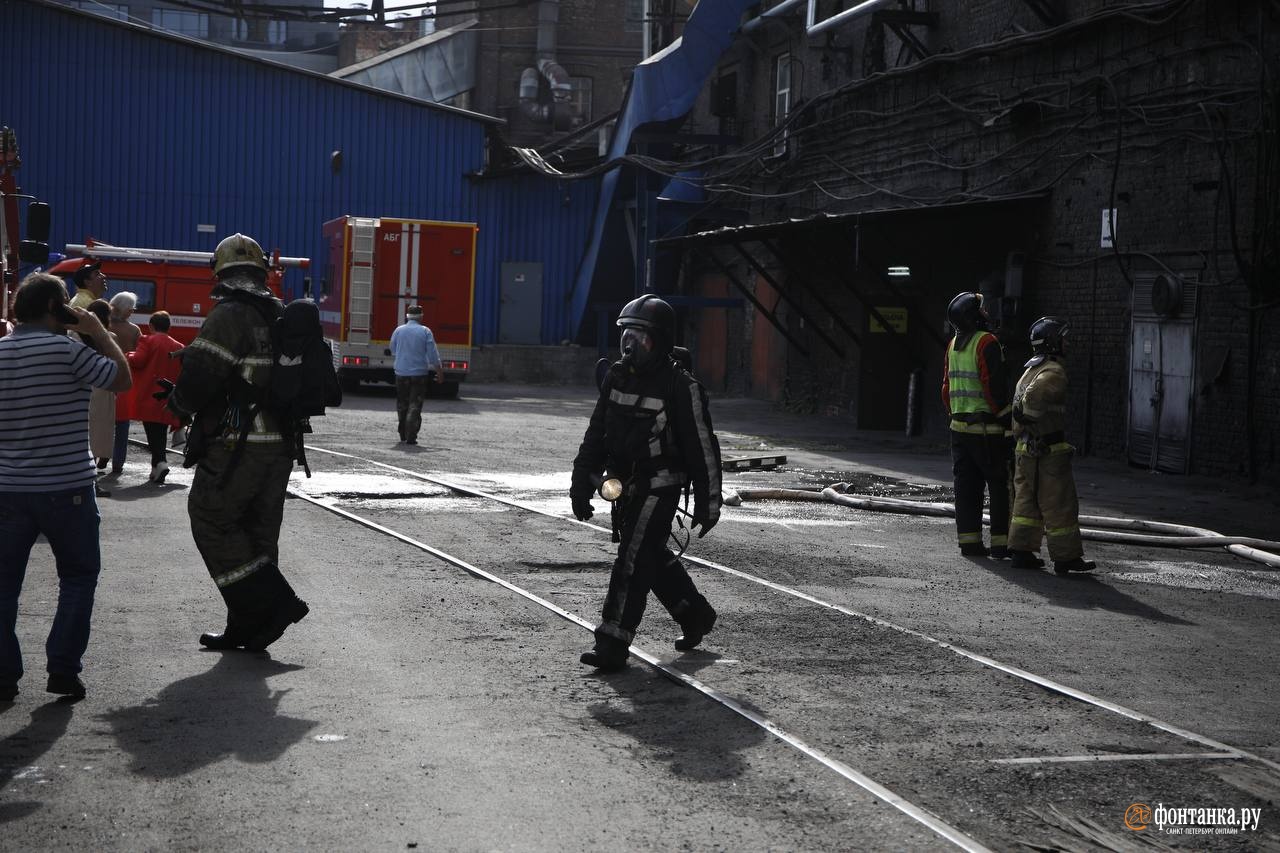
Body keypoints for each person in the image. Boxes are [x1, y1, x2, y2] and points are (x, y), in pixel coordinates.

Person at [165, 233, 309, 652]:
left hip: (237, 443)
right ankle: (250, 626)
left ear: (220, 271)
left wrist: (177, 403)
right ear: (262, 272)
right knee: (257, 532)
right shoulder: (278, 313)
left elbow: (204, 373)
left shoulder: (230, 313)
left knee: (211, 518)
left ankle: (277, 604)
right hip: (280, 444)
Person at [570, 295, 722, 671]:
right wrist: (580, 484)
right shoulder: (616, 377)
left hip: (661, 485)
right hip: (626, 486)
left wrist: (709, 502)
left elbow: (703, 448)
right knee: (650, 555)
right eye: (626, 335)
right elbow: (596, 433)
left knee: (633, 558)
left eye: (640, 337)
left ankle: (612, 642)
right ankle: (695, 615)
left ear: (660, 340)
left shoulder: (680, 386)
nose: (630, 345)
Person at [0, 272, 131, 701]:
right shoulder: (70, 351)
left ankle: (3, 676)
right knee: (77, 576)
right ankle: (62, 670)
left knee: (3, 586)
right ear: (58, 309)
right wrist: (97, 330)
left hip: (7, 490)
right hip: (68, 489)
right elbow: (121, 379)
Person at [1007, 316, 1096, 575]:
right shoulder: (1053, 370)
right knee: (1059, 504)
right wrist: (1029, 415)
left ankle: (1021, 551)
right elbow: (1034, 397)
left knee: (1026, 503)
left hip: (1025, 450)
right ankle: (1066, 558)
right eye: (1063, 339)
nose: (1067, 343)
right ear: (1053, 342)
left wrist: (1024, 418)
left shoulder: (1030, 369)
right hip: (1047, 452)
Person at [941, 291, 1015, 559]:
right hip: (987, 430)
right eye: (981, 309)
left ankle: (969, 542)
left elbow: (946, 390)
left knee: (966, 489)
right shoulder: (986, 342)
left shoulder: (952, 345)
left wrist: (956, 414)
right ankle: (1000, 544)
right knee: (999, 486)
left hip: (959, 431)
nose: (985, 313)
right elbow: (993, 386)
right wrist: (1008, 419)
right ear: (974, 315)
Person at [126, 310, 184, 484]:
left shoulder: (147, 340)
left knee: (152, 432)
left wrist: (128, 355)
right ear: (168, 327)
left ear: (151, 326)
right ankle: (155, 468)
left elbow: (139, 361)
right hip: (168, 395)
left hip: (149, 393)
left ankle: (161, 463)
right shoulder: (179, 346)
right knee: (159, 430)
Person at [388, 304, 442, 445]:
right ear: (421, 316)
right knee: (415, 404)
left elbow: (392, 349)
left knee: (402, 403)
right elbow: (433, 354)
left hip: (401, 372)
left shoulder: (398, 331)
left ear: (407, 316)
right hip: (419, 374)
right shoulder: (425, 331)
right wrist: (439, 372)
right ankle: (411, 433)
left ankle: (402, 433)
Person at [85, 299, 118, 497]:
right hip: (103, 389)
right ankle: (93, 481)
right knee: (98, 436)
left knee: (88, 435)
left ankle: (90, 480)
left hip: (84, 389)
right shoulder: (108, 337)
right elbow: (118, 368)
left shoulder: (75, 336)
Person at [108, 292, 143, 475]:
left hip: (103, 376)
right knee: (122, 424)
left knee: (101, 420)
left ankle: (101, 455)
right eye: (130, 310)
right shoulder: (135, 330)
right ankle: (118, 463)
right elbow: (139, 357)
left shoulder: (103, 325)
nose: (131, 313)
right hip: (124, 380)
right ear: (123, 309)